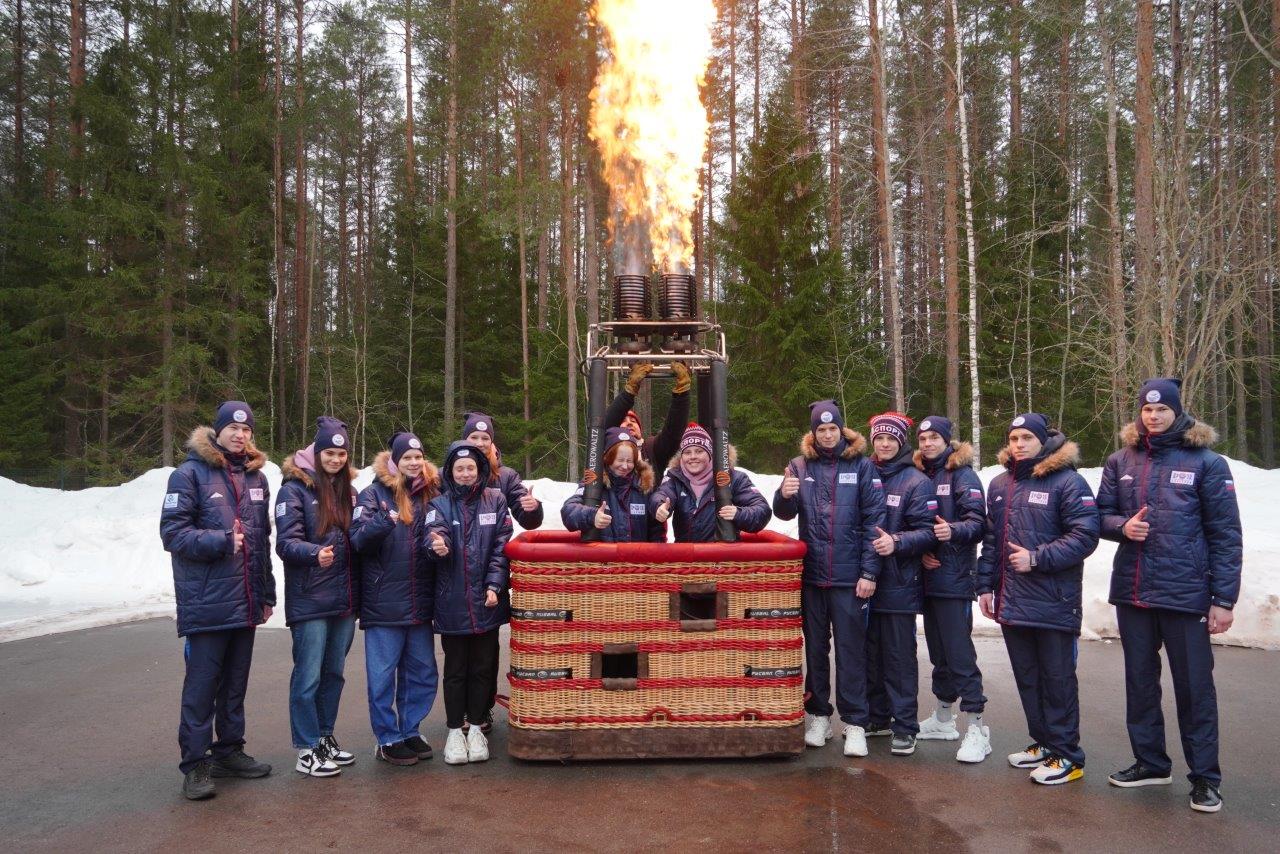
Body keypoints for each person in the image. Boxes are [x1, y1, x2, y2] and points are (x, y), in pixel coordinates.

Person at [1097, 378, 1242, 813]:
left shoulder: (1207, 463)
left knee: (1195, 689)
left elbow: (1226, 535)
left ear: (1177, 412)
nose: (1153, 416)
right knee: (1140, 684)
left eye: (1161, 410)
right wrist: (1121, 527)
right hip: (1134, 592)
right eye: (1146, 409)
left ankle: (1205, 778)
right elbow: (1099, 516)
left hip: (1186, 595)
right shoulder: (1120, 460)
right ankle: (1151, 762)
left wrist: (1223, 599)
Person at [160, 400, 275, 800]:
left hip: (245, 602)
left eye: (247, 430)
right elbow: (172, 535)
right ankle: (194, 764)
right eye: (233, 429)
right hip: (207, 604)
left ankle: (229, 751)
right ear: (218, 431)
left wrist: (267, 592)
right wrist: (221, 541)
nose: (240, 435)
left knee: (235, 685)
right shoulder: (188, 475)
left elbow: (261, 541)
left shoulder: (257, 478)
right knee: (202, 687)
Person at [977, 413, 1100, 785]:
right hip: (1013, 601)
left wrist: (1037, 557)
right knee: (1028, 677)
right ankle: (1045, 742)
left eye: (1027, 437)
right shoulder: (1000, 484)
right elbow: (992, 541)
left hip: (1053, 600)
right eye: (1013, 438)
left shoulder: (1069, 481)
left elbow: (1085, 535)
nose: (1019, 444)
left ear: (1044, 441)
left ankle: (1068, 755)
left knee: (1057, 678)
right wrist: (985, 586)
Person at [772, 400, 885, 758]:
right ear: (813, 433)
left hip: (850, 578)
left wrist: (869, 571)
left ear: (841, 429)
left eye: (832, 428)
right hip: (813, 576)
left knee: (851, 653)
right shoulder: (799, 465)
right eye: (821, 430)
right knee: (816, 650)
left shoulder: (862, 466)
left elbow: (874, 521)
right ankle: (819, 714)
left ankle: (855, 724)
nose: (827, 434)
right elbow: (783, 511)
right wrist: (783, 495)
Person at [276, 416, 360, 778]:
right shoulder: (293, 489)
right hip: (309, 598)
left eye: (341, 453)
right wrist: (313, 553)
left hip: (342, 599)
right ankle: (306, 747)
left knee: (334, 674)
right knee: (308, 675)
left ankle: (325, 736)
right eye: (330, 452)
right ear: (316, 452)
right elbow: (285, 542)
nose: (336, 459)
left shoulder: (348, 491)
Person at [350, 431, 440, 767]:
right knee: (383, 677)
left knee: (421, 672)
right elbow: (358, 540)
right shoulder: (373, 495)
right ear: (395, 461)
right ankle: (387, 737)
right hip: (384, 604)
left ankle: (410, 729)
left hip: (420, 602)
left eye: (418, 457)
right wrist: (382, 522)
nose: (414, 463)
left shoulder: (431, 494)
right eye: (407, 458)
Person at [425, 442, 514, 766]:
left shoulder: (496, 500)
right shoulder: (438, 504)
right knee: (455, 670)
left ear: (479, 470)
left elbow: (501, 548)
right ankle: (453, 731)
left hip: (487, 602)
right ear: (450, 471)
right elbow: (433, 534)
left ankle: (476, 727)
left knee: (482, 669)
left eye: (471, 468)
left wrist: (494, 585)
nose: (465, 473)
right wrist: (438, 546)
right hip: (452, 602)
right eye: (459, 468)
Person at [913, 416, 992, 763]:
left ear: (947, 440)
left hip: (955, 579)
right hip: (926, 579)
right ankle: (944, 718)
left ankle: (977, 726)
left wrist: (953, 532)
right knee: (939, 653)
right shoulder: (919, 475)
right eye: (923, 438)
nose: (928, 443)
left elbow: (978, 523)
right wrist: (923, 549)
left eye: (934, 437)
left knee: (959, 654)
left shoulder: (963, 475)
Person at [864, 412, 936, 758]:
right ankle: (878, 717)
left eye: (891, 438)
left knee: (898, 658)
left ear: (901, 442)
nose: (885, 443)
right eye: (879, 438)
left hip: (899, 582)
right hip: (864, 583)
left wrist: (897, 542)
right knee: (870, 654)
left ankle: (905, 725)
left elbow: (927, 533)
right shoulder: (864, 472)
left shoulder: (915, 481)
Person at [650, 423, 771, 542]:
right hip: (688, 558)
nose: (692, 457)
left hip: (722, 557)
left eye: (699, 451)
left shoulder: (733, 478)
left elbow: (762, 510)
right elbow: (661, 494)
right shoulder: (674, 478)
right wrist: (659, 506)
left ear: (710, 454)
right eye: (687, 452)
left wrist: (738, 514)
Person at [562, 427, 666, 542]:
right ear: (608, 458)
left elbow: (656, 530)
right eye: (620, 460)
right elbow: (568, 511)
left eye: (629, 461)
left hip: (637, 558)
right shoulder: (594, 482)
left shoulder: (643, 486)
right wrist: (591, 516)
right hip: (604, 558)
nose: (625, 466)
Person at [461, 412, 544, 531]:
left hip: (494, 548)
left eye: (485, 438)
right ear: (464, 439)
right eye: (474, 437)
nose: (479, 443)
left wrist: (532, 509)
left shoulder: (506, 476)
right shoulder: (446, 476)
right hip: (455, 548)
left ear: (491, 442)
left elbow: (529, 522)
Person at [605, 361, 692, 467]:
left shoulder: (651, 450)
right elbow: (605, 426)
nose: (629, 423)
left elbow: (673, 432)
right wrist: (629, 392)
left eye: (633, 421)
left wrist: (682, 393)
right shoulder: (608, 449)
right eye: (623, 421)